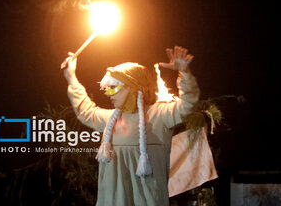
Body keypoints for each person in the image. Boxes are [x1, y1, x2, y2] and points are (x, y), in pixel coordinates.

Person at [62, 46, 200, 206]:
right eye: (107, 89)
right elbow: (85, 110)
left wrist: (185, 74)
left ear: (135, 88)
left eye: (114, 88)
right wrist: (70, 76)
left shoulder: (160, 116)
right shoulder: (110, 119)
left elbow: (188, 104)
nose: (110, 94)